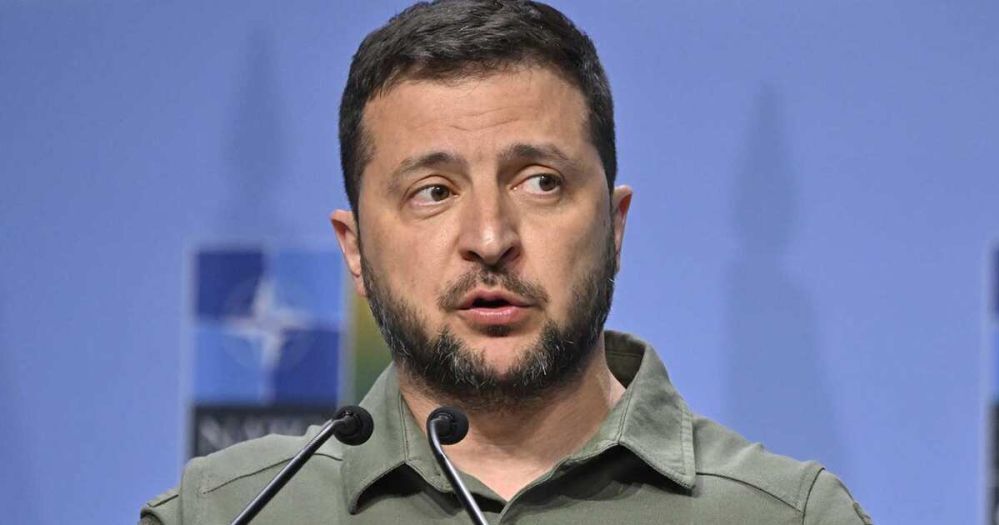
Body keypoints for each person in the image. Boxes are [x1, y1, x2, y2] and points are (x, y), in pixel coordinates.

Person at [141, 1, 872, 523]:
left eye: (540, 182)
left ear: (615, 226)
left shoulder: (785, 515)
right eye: (434, 191)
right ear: (355, 249)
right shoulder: (231, 511)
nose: (490, 237)